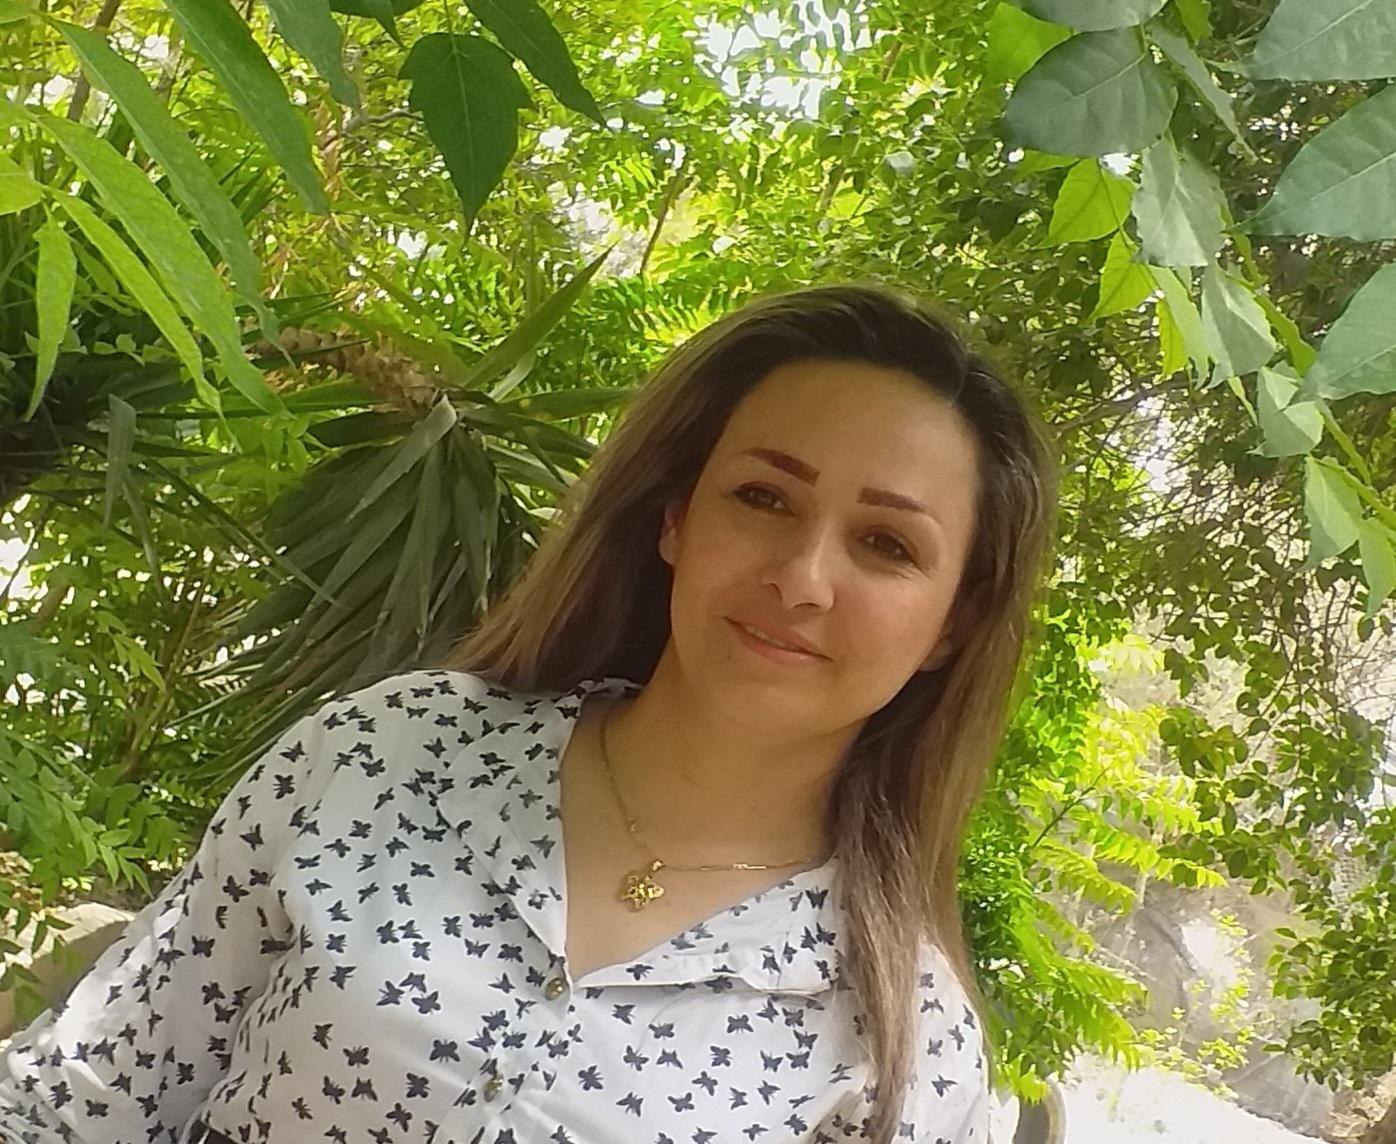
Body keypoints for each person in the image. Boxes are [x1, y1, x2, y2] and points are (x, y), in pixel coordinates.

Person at [0, 281, 1058, 1144]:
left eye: (886, 545)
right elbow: (80, 1097)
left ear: (954, 623)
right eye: (764, 497)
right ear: (677, 519)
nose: (802, 576)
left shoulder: (907, 1045)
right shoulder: (390, 753)